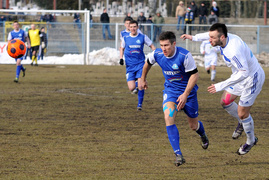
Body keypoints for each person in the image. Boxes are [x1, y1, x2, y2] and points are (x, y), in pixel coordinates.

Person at [181, 23, 265, 155]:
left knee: (243, 113)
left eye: (213, 38)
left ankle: (250, 141)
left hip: (251, 79)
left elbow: (244, 72)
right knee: (225, 102)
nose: (210, 40)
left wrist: (220, 85)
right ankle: (241, 123)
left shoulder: (233, 50)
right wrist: (194, 37)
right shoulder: (224, 38)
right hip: (240, 76)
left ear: (222, 37)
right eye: (210, 37)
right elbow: (210, 35)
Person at [140, 31, 209, 166]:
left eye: (166, 45)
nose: (164, 49)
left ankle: (203, 135)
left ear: (174, 44)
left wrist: (185, 94)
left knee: (193, 126)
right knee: (168, 116)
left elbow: (195, 76)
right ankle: (178, 154)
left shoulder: (184, 56)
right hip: (170, 92)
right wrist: (143, 79)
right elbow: (148, 62)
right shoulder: (157, 54)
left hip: (188, 94)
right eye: (161, 45)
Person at [119, 20, 156, 110]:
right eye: (131, 27)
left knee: (140, 86)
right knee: (131, 88)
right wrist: (121, 58)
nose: (133, 28)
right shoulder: (126, 38)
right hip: (130, 66)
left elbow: (152, 46)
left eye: (134, 27)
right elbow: (122, 48)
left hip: (140, 65)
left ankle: (139, 105)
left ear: (137, 27)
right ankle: (137, 82)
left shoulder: (143, 37)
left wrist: (155, 55)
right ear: (129, 28)